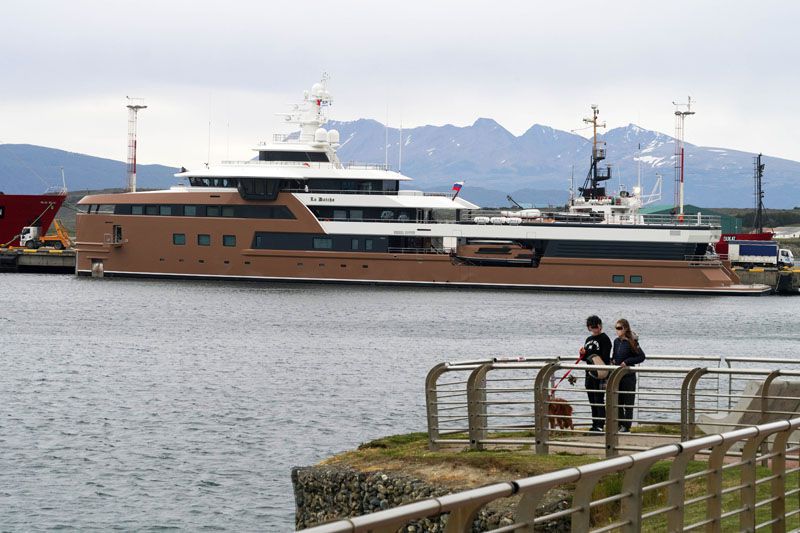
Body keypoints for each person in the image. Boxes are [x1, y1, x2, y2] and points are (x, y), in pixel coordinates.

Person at [580, 315, 612, 435]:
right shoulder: (588, 339)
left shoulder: (605, 339)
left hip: (600, 373)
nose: (596, 328)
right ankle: (594, 424)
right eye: (593, 327)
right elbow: (586, 358)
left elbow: (604, 356)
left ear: (600, 325)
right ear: (589, 328)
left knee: (598, 399)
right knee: (592, 400)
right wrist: (582, 354)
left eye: (597, 326)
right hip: (589, 373)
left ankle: (600, 425)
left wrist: (588, 353)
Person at [612, 318, 646, 432]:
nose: (617, 330)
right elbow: (614, 356)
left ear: (625, 328)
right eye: (616, 328)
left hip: (629, 376)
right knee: (618, 401)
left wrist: (627, 362)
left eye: (619, 328)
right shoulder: (616, 342)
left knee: (628, 402)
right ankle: (619, 424)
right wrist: (612, 361)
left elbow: (641, 356)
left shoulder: (632, 341)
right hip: (617, 375)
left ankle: (627, 426)